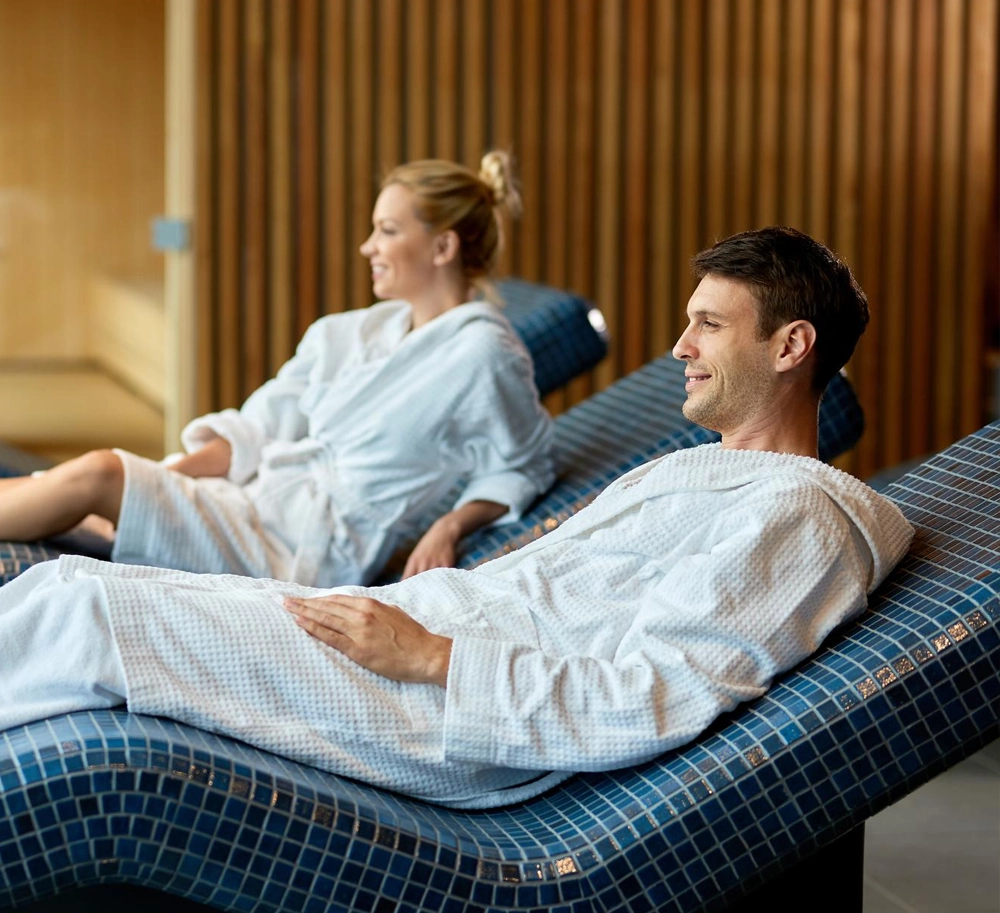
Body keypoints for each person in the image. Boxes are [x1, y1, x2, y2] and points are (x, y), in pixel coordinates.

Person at [0, 227, 913, 809]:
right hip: (414, 637)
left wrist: (433, 657)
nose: (680, 347)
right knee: (69, 583)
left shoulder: (802, 515)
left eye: (709, 325)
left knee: (84, 615)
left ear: (791, 346)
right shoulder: (701, 471)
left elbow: (652, 696)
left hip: (439, 706)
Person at [0, 152, 554, 587]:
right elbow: (256, 430)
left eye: (387, 230)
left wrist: (451, 524)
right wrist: (166, 476)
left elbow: (524, 464)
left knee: (100, 475)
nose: (368, 247)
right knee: (75, 489)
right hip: (252, 504)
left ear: (442, 246)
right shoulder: (353, 332)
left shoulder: (483, 354)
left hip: (304, 552)